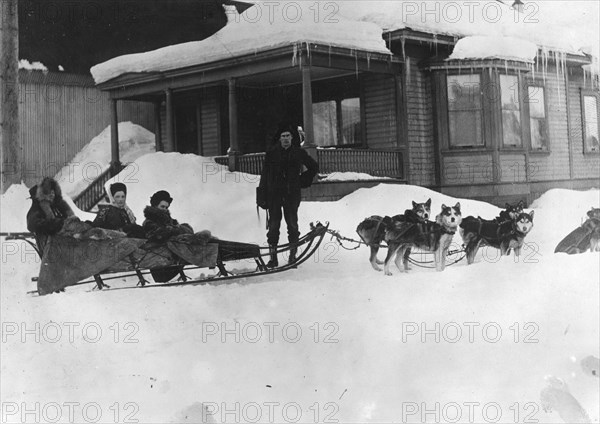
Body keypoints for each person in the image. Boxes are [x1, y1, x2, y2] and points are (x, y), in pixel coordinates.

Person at [258, 125, 318, 267]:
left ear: (292, 138)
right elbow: (265, 176)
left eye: (288, 136)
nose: (285, 139)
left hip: (291, 196)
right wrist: (262, 195)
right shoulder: (271, 154)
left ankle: (292, 257)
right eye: (283, 136)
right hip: (274, 196)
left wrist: (301, 181)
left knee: (292, 225)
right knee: (273, 226)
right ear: (279, 139)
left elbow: (313, 167)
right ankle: (273, 259)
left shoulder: (298, 152)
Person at [26, 177, 75, 254]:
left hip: (64, 240)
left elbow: (70, 220)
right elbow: (32, 224)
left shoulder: (59, 206)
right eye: (49, 192)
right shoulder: (38, 207)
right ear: (43, 193)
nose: (52, 194)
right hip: (49, 245)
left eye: (53, 192)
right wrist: (52, 225)